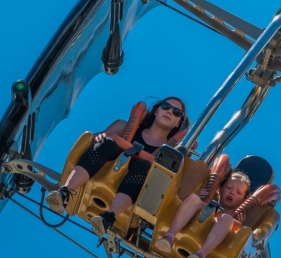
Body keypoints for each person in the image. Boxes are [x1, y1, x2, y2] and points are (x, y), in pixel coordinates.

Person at [45, 97, 189, 237]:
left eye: (176, 112)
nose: (170, 111)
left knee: (144, 165)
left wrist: (128, 147)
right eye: (165, 106)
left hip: (135, 187)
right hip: (103, 171)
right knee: (107, 143)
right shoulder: (124, 127)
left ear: (178, 123)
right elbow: (95, 139)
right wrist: (103, 137)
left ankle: (108, 217)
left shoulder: (172, 155)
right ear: (156, 111)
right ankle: (64, 192)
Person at [152, 164, 252, 258]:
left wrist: (238, 226)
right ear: (220, 189)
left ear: (243, 201)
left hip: (210, 244)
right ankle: (169, 237)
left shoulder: (232, 220)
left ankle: (201, 254)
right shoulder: (204, 201)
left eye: (238, 192)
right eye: (229, 188)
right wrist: (199, 200)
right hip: (190, 227)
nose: (232, 192)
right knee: (193, 198)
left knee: (228, 218)